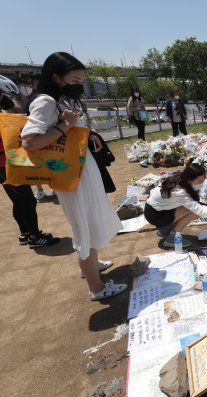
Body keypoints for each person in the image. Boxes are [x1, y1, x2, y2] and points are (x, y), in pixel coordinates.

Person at [20, 52, 127, 301]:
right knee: (85, 226)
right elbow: (30, 142)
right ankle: (97, 288)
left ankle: (90, 266)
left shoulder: (59, 99)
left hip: (78, 171)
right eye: (76, 79)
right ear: (57, 77)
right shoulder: (46, 101)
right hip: (72, 178)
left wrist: (87, 136)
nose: (80, 84)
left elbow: (64, 136)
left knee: (88, 221)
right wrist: (65, 126)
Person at [0, 74, 60, 248]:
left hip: (5, 164)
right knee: (27, 200)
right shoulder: (4, 118)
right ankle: (34, 237)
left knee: (18, 201)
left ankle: (25, 233)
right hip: (7, 165)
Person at [144, 161, 207, 247]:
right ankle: (172, 238)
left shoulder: (180, 179)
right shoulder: (179, 192)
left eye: (203, 179)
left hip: (160, 209)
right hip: (154, 215)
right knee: (195, 211)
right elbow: (200, 210)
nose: (202, 183)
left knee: (198, 207)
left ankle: (165, 230)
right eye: (200, 181)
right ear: (189, 179)